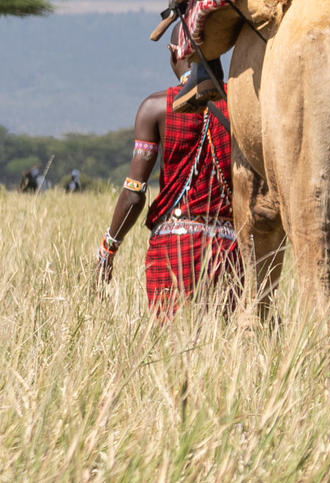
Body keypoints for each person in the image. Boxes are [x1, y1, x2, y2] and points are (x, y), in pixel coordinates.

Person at [97, 63, 240, 310]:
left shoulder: (155, 107)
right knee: (227, 343)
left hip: (172, 250)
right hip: (229, 250)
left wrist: (108, 248)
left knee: (171, 345)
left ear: (176, 52)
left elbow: (133, 194)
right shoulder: (242, 105)